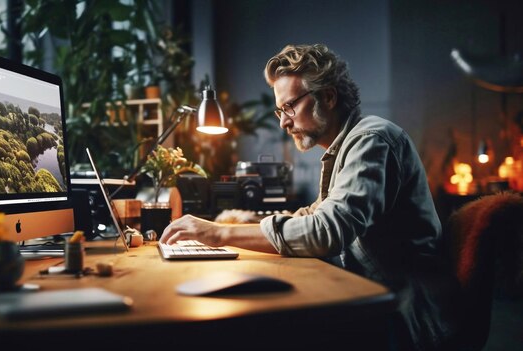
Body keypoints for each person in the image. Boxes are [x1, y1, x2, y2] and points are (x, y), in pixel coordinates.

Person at [160, 44, 460, 350]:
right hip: (376, 299)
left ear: (327, 97)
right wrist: (240, 225)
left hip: (406, 316)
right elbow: (313, 216)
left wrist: (219, 233)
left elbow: (328, 230)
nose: (283, 122)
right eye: (280, 111)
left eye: (289, 107)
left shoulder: (371, 139)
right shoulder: (345, 147)